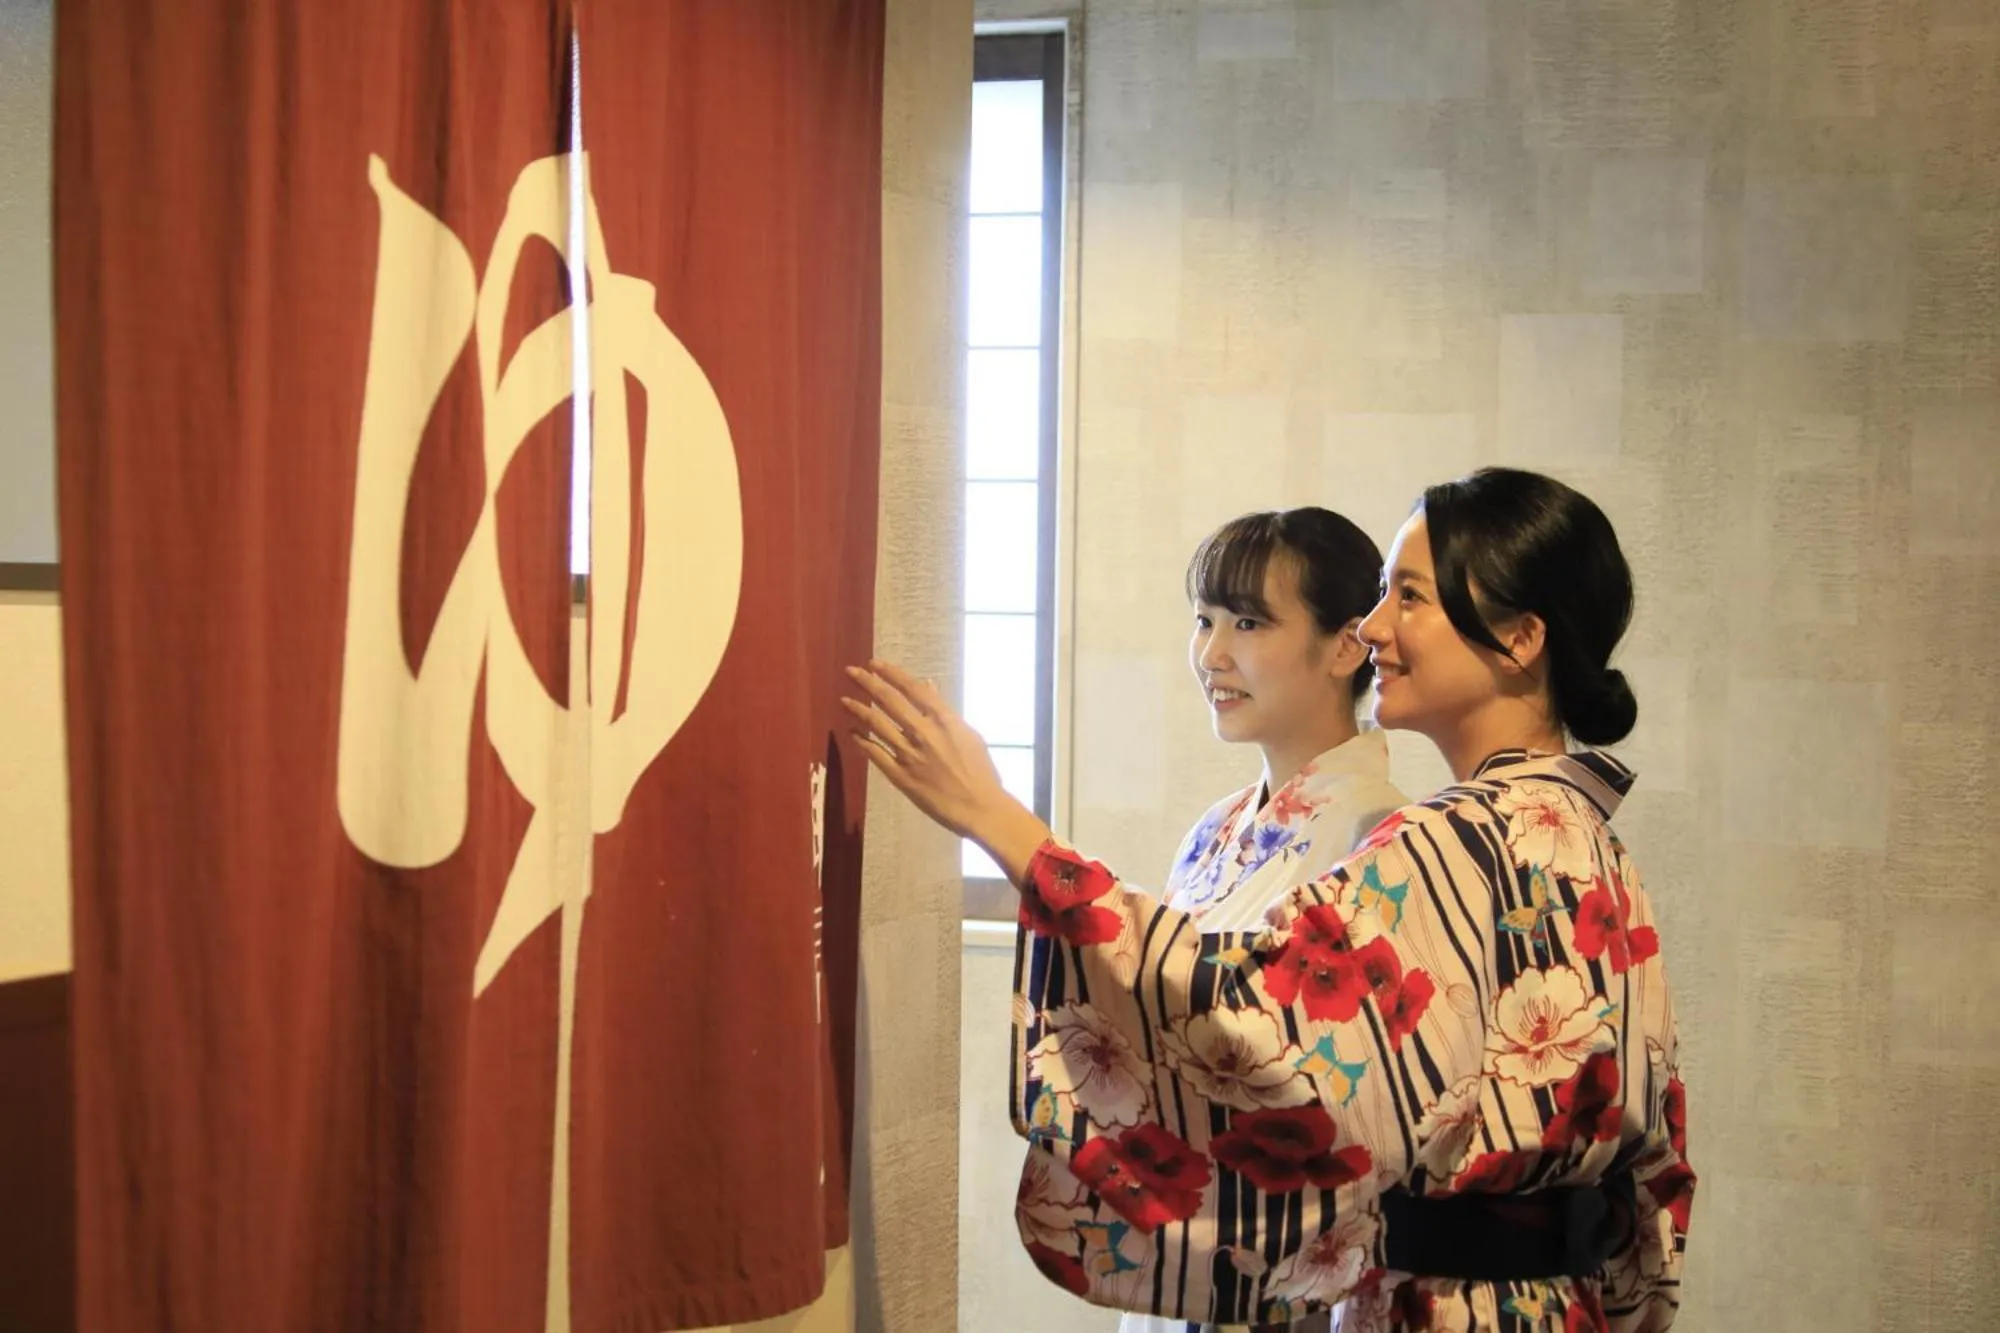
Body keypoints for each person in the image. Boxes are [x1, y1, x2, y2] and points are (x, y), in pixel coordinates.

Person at [844, 467, 1693, 1332]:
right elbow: (1655, 1157)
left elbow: (1250, 1021)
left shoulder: (1441, 842)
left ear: (1519, 637)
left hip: (1446, 1303)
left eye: (1410, 598)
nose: (1375, 629)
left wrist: (1002, 825)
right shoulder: (1589, 837)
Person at [1161, 508, 1410, 936]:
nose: (1210, 657)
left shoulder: (1382, 837)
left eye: (1247, 623)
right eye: (1205, 621)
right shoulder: (1214, 828)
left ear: (1347, 647)